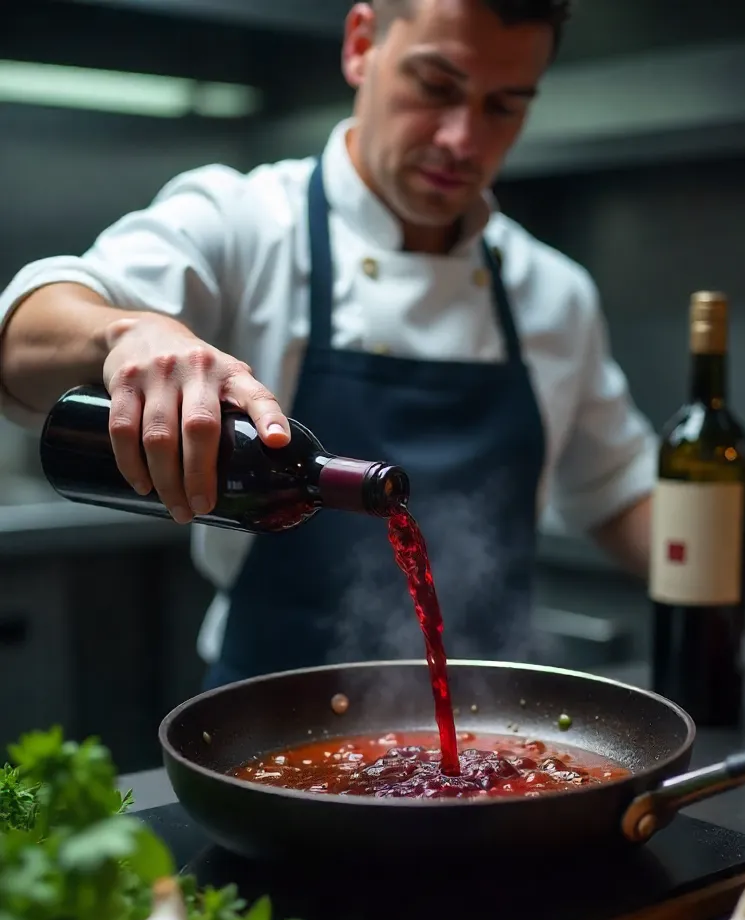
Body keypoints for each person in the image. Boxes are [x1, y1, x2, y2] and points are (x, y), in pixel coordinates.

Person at [0, 0, 656, 690]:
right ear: (361, 43)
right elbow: (24, 331)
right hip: (264, 722)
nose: (463, 139)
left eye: (504, 106)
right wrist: (127, 330)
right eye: (436, 87)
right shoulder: (244, 224)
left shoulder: (553, 292)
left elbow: (618, 491)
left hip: (493, 722)